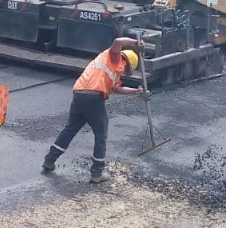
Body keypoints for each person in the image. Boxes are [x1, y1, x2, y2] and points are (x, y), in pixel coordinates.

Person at [42, 36, 147, 183]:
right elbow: (117, 42)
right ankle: (97, 172)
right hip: (93, 97)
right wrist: (135, 43)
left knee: (70, 129)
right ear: (127, 63)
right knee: (101, 133)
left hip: (79, 95)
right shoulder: (115, 57)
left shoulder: (111, 67)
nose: (124, 72)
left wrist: (136, 91)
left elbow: (117, 88)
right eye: (127, 69)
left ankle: (49, 160)